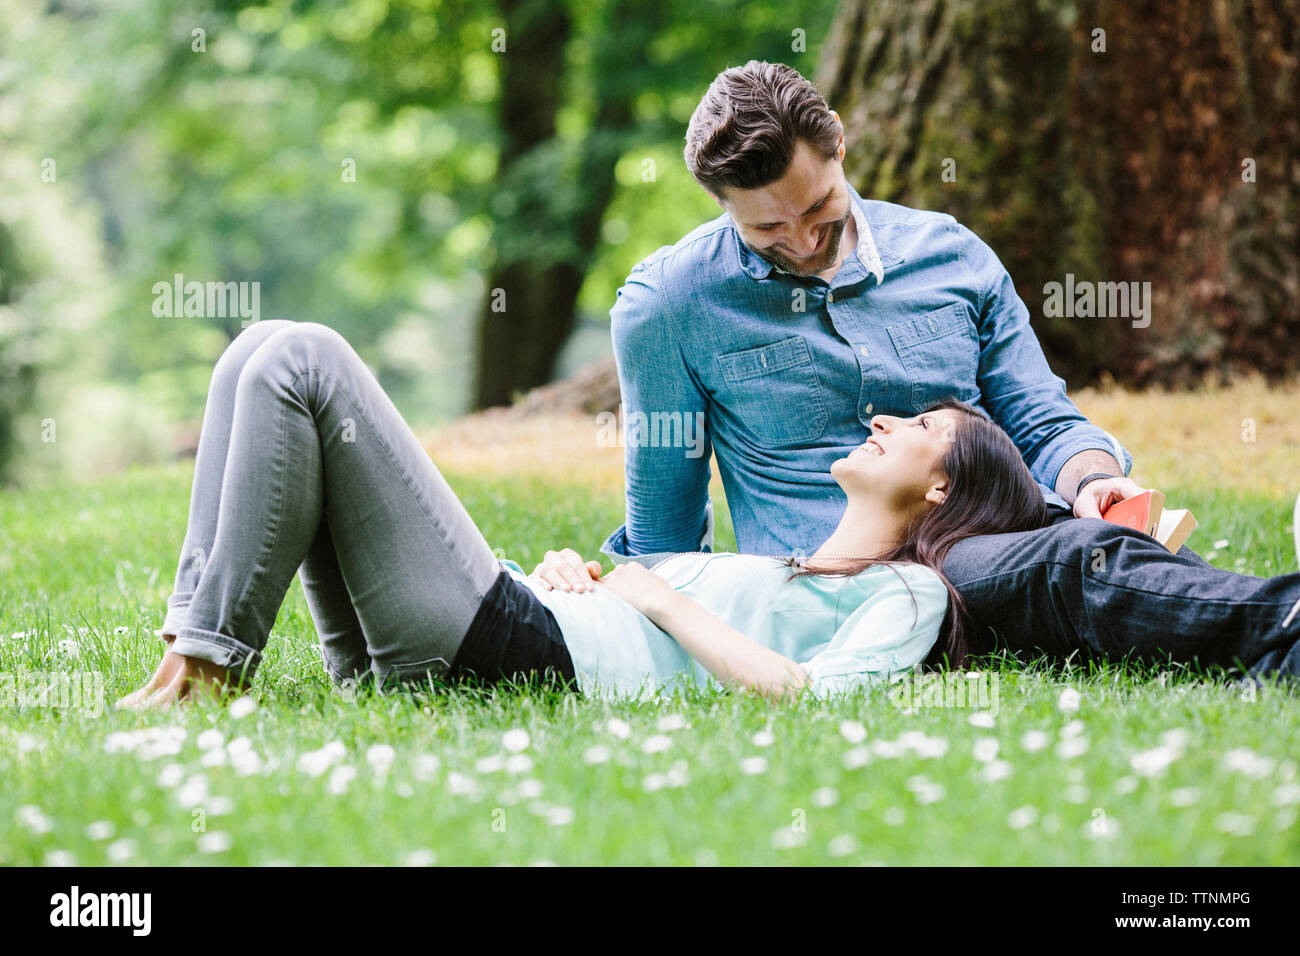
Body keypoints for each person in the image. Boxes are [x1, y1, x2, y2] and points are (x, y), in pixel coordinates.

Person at [599, 59, 1300, 680]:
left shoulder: (949, 254)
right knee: (1077, 561)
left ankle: (1274, 642)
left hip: (1016, 530)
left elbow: (1040, 419)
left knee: (1095, 548)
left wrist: (1096, 482)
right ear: (721, 205)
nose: (805, 242)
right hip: (857, 584)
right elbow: (664, 530)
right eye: (768, 231)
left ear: (839, 142)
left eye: (818, 208)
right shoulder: (667, 306)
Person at [114, 320, 1047, 709]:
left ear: (941, 490)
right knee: (260, 348)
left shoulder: (915, 594)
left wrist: (657, 597)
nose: (885, 418)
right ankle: (199, 653)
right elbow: (648, 613)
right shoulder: (795, 564)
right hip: (516, 619)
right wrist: (591, 579)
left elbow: (818, 698)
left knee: (305, 358)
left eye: (922, 425)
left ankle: (207, 661)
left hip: (511, 648)